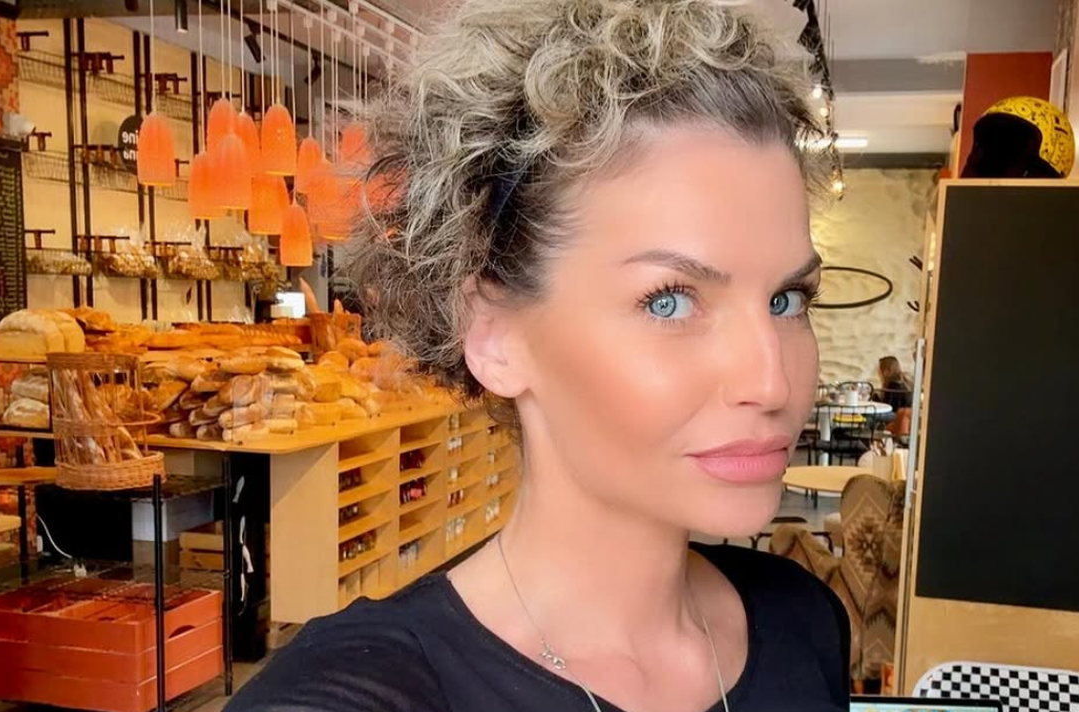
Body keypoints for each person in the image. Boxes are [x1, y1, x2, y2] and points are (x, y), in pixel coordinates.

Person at [226, 1, 850, 710]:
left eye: (787, 300)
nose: (771, 382)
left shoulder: (804, 621)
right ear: (494, 335)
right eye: (670, 302)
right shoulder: (363, 694)